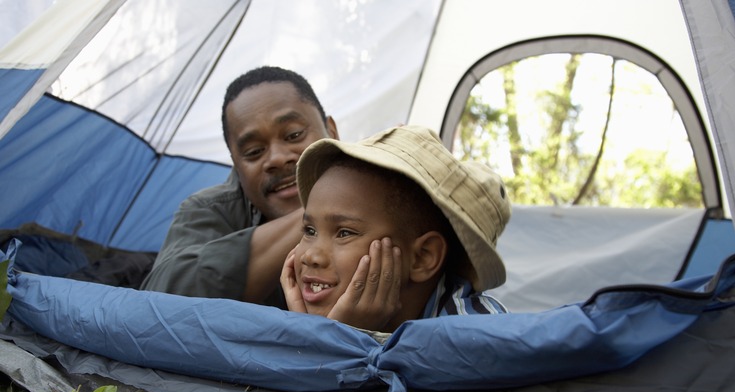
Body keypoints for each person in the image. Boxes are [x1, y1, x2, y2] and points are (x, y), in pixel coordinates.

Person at [280, 125, 511, 332]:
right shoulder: (297, 316)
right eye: (309, 231)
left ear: (422, 257)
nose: (310, 256)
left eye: (344, 233)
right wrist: (309, 333)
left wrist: (337, 340)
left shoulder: (476, 337)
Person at [141, 66, 339, 306]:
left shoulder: (384, 190)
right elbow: (160, 302)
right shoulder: (209, 210)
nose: (276, 158)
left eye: (294, 135)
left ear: (332, 131)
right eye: (254, 152)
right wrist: (329, 209)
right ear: (236, 164)